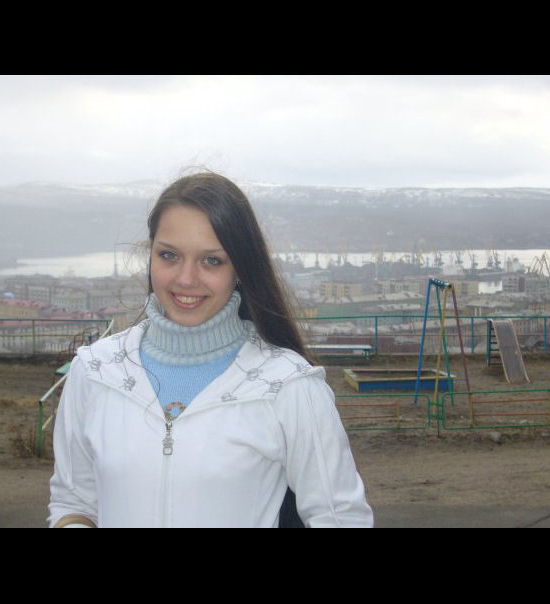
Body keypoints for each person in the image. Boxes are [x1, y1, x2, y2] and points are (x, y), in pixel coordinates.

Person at [48, 171, 373, 528]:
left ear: (241, 268)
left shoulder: (288, 386)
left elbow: (341, 517)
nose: (186, 278)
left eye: (212, 261)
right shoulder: (96, 372)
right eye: (169, 255)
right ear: (150, 254)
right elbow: (74, 501)